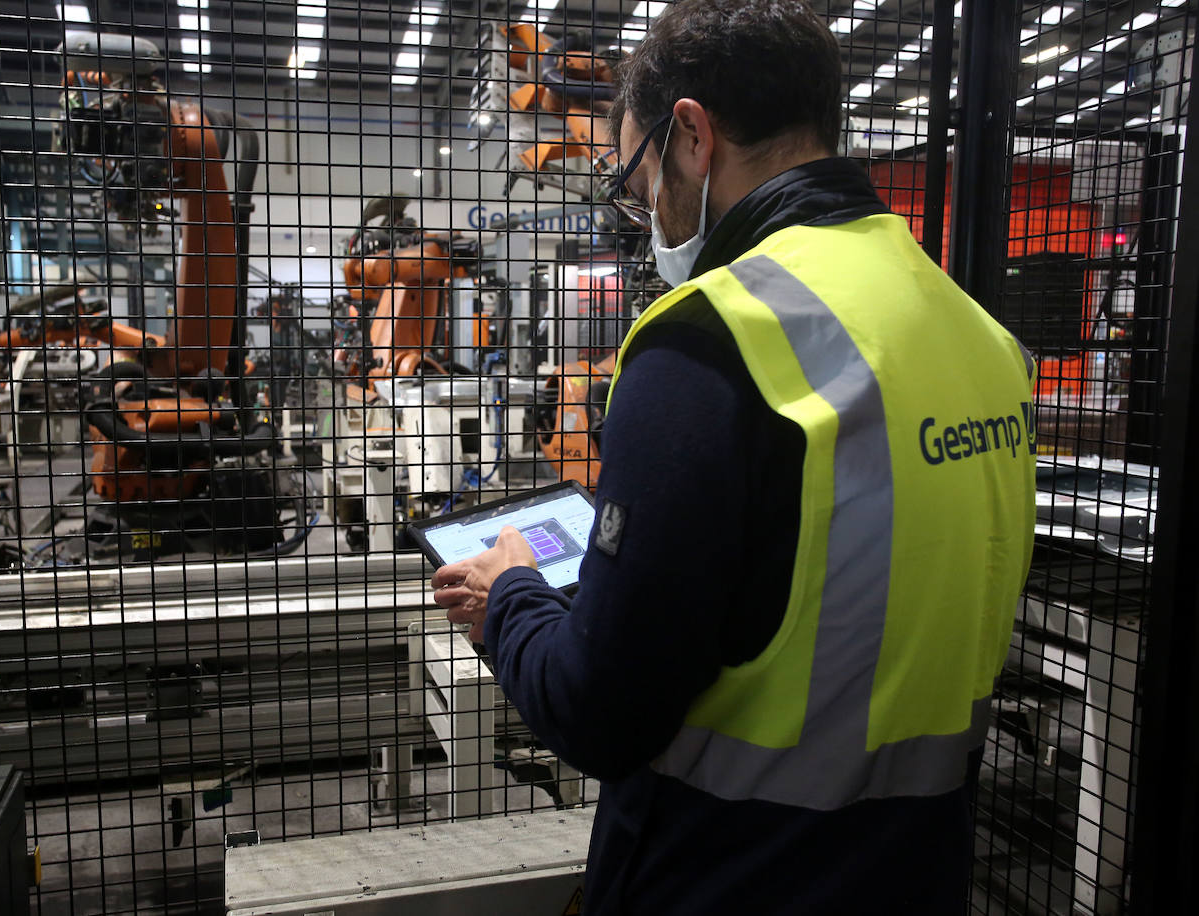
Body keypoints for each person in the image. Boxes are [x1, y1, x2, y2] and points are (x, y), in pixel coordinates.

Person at [431, 0, 1037, 912]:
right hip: (918, 874)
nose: (650, 216)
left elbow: (600, 713)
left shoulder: (711, 339)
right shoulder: (982, 337)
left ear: (690, 136)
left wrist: (511, 596)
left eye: (639, 182)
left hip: (732, 875)